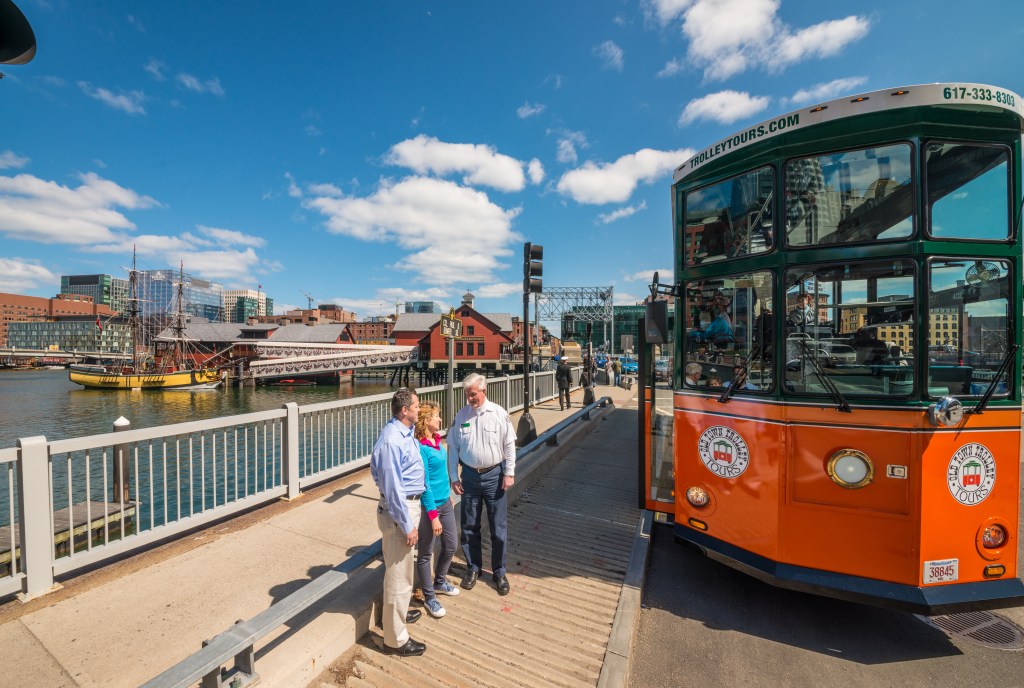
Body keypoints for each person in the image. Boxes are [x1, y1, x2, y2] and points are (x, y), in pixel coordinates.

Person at [448, 373, 517, 596]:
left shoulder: (498, 413)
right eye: (467, 394)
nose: (470, 398)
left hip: (494, 476)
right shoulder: (461, 416)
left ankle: (499, 571)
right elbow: (453, 449)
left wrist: (509, 472)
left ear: (484, 391)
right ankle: (473, 568)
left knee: (498, 527)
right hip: (469, 476)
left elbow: (509, 445)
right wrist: (453, 477)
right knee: (469, 526)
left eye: (473, 394)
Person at [370, 388, 427, 657]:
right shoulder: (393, 439)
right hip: (400, 512)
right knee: (399, 577)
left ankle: (398, 616)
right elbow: (392, 488)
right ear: (405, 410)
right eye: (416, 406)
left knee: (402, 572)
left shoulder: (402, 433)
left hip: (406, 507)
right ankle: (396, 639)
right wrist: (406, 524)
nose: (420, 409)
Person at [414, 401, 459, 620]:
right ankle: (429, 596)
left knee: (451, 545)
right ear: (426, 421)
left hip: (446, 502)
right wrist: (433, 517)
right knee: (426, 552)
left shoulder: (437, 441)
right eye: (436, 417)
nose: (440, 420)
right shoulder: (421, 447)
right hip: (430, 507)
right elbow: (425, 484)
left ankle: (440, 580)